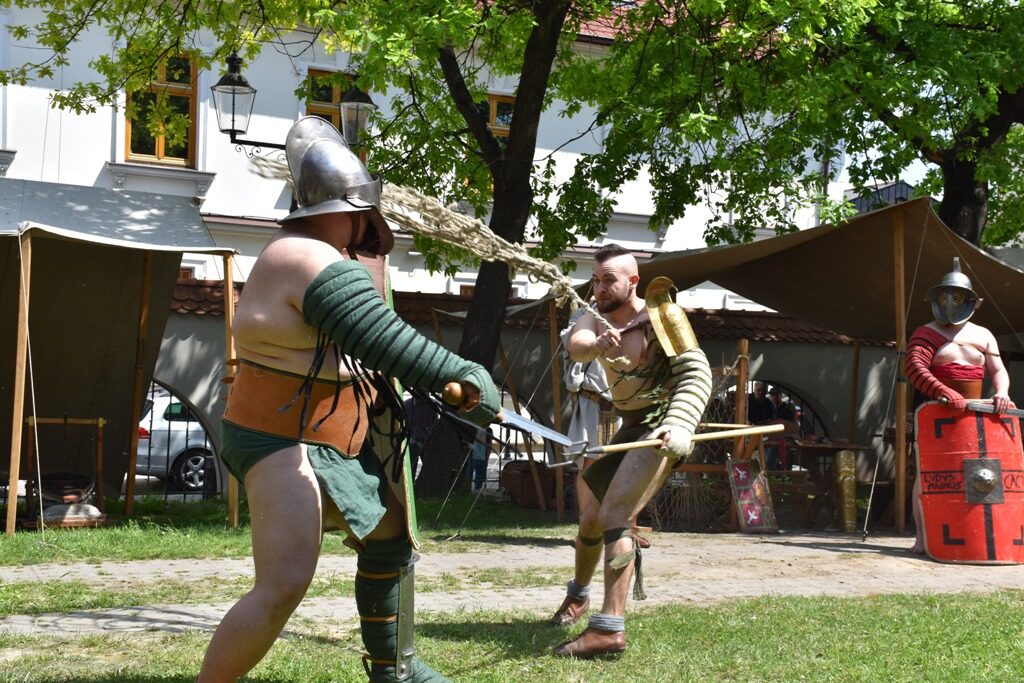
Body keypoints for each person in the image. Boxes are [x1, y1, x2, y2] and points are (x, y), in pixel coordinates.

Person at [197, 117, 499, 683]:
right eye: (364, 212)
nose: (367, 226)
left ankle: (394, 668)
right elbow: (386, 342)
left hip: (321, 436)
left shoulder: (312, 253)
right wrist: (467, 377)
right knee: (282, 584)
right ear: (347, 208)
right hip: (280, 437)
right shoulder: (304, 257)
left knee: (388, 537)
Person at [548, 244, 712, 658]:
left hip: (661, 427)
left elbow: (696, 373)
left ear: (633, 281)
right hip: (629, 428)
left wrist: (680, 424)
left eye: (609, 280)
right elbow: (577, 344)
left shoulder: (663, 316)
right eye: (596, 280)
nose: (600, 288)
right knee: (589, 519)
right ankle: (578, 596)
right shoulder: (594, 314)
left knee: (615, 514)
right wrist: (595, 346)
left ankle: (608, 629)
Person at [904, 257, 1013, 555]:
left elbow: (998, 370)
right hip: (937, 412)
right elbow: (915, 368)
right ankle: (922, 538)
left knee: (979, 474)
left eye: (957, 296)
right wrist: (943, 391)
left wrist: (1002, 392)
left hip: (976, 414)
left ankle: (972, 535)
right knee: (927, 474)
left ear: (971, 301)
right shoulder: (926, 332)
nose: (951, 302)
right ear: (936, 298)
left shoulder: (983, 335)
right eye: (945, 296)